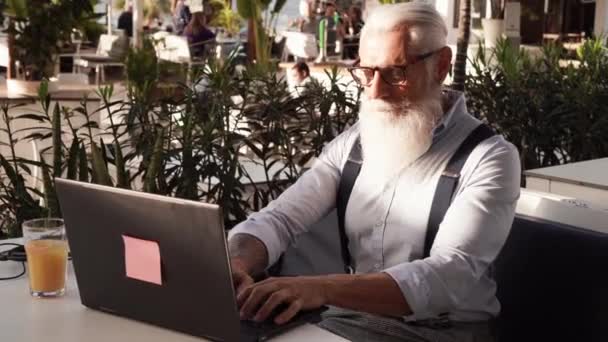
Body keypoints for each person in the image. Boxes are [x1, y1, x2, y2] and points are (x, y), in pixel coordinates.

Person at [228, 3, 520, 342]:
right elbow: (281, 218)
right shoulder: (353, 144)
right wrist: (237, 264)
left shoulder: (489, 157)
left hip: (444, 332)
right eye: (367, 72)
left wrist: (321, 288)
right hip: (352, 321)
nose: (376, 91)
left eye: (396, 73)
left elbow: (448, 274)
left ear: (441, 65)